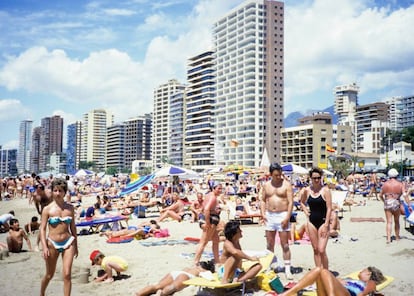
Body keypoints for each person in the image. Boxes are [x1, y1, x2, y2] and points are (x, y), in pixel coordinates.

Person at [40, 178, 78, 296]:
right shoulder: (47, 209)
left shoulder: (70, 208)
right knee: (49, 274)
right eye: (55, 190)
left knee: (67, 274)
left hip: (68, 242)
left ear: (64, 192)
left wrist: (76, 245)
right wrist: (44, 247)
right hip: (52, 243)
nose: (58, 193)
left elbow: (73, 227)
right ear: (52, 191)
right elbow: (42, 229)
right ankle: (42, 293)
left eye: (60, 191)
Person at [260, 163, 294, 279]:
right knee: (270, 244)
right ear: (271, 174)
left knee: (285, 244)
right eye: (276, 175)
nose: (279, 177)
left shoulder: (286, 185)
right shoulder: (266, 185)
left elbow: (290, 202)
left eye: (280, 174)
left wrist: (287, 217)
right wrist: (263, 213)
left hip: (282, 214)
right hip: (270, 215)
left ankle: (287, 269)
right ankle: (268, 266)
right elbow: (263, 200)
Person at [300, 167, 332, 269]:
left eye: (318, 177)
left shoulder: (325, 190)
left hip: (323, 222)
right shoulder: (307, 190)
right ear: (310, 178)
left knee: (322, 249)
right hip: (311, 222)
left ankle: (326, 272)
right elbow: (301, 202)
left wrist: (327, 224)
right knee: (315, 249)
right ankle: (318, 271)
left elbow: (329, 208)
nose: (317, 180)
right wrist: (305, 211)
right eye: (314, 178)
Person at [280, 266, 385, 296]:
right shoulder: (350, 279)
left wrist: (362, 294)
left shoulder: (368, 283)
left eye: (363, 271)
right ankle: (288, 293)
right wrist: (339, 281)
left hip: (349, 294)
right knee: (318, 270)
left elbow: (371, 287)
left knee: (324, 271)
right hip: (332, 292)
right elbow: (332, 281)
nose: (360, 272)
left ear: (369, 274)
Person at [135, 260, 215, 296]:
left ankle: (138, 293)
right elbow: (208, 277)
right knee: (171, 288)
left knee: (157, 286)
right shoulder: (204, 270)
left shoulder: (192, 267)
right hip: (186, 276)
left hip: (175, 273)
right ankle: (161, 293)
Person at [379, 168, 412, 244]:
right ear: (396, 175)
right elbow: (404, 195)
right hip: (396, 202)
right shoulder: (400, 184)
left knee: (389, 222)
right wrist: (409, 205)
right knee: (396, 221)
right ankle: (397, 237)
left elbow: (380, 195)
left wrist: (384, 201)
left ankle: (388, 239)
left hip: (388, 202)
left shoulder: (385, 184)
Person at [193, 181, 222, 265]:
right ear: (213, 188)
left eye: (221, 188)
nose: (220, 190)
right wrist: (208, 222)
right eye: (218, 188)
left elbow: (204, 208)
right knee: (204, 242)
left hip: (209, 218)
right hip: (210, 220)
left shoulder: (208, 195)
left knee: (216, 240)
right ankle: (196, 261)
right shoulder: (212, 197)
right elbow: (206, 209)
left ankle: (217, 260)